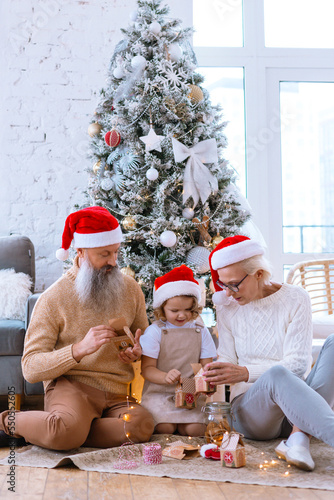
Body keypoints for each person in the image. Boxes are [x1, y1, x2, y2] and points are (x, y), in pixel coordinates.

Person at [0, 206, 154, 450]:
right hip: (71, 388)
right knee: (66, 430)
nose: (113, 262)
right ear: (80, 251)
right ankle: (8, 422)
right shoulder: (53, 298)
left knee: (141, 426)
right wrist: (78, 349)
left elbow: (143, 341)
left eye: (116, 252)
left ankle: (72, 431)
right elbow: (30, 368)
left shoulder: (131, 289)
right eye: (104, 254)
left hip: (117, 394)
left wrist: (137, 351)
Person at [203, 235, 334, 471]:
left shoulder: (295, 298)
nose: (229, 293)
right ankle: (304, 434)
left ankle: (298, 437)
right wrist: (218, 372)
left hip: (292, 411)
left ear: (259, 274)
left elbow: (297, 365)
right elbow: (228, 360)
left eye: (234, 284)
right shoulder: (228, 308)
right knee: (275, 374)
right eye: (223, 285)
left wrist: (244, 371)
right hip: (252, 414)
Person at [140, 265, 217, 436]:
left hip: (190, 394)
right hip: (159, 393)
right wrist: (165, 377)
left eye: (188, 310)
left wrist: (207, 381)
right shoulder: (155, 331)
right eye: (174, 311)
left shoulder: (200, 330)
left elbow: (206, 366)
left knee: (195, 430)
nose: (182, 315)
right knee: (164, 429)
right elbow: (147, 369)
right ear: (162, 309)